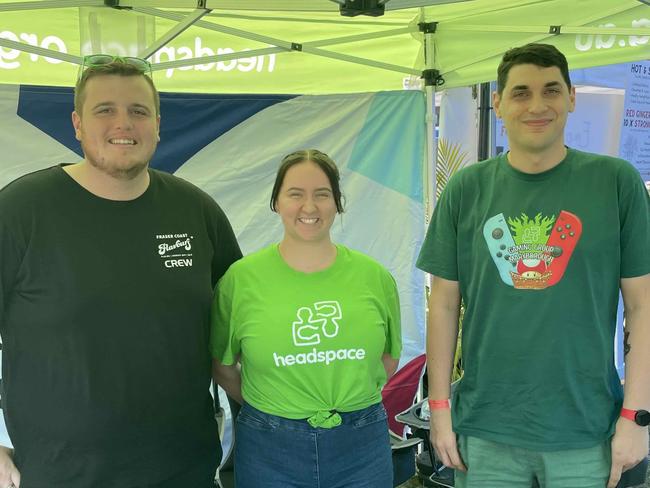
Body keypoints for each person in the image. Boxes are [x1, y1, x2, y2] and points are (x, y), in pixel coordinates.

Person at [0, 55, 242, 487]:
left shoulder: (195, 210)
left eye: (138, 111)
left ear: (157, 123)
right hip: (62, 475)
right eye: (104, 110)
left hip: (184, 471)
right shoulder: (21, 211)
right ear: (77, 123)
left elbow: (246, 327)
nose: (123, 123)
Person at [417, 43, 650, 488]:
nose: (537, 105)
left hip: (586, 428)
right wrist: (440, 410)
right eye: (521, 92)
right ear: (499, 103)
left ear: (572, 98)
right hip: (486, 428)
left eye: (552, 90)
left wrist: (636, 417)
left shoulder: (616, 183)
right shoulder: (467, 189)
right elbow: (443, 305)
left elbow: (643, 306)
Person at [211, 149, 401, 488]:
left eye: (322, 195)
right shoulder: (240, 281)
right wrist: (273, 406)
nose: (309, 207)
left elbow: (389, 358)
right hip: (269, 448)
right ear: (276, 203)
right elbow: (223, 366)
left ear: (337, 203)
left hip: (361, 447)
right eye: (295, 194)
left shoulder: (375, 278)